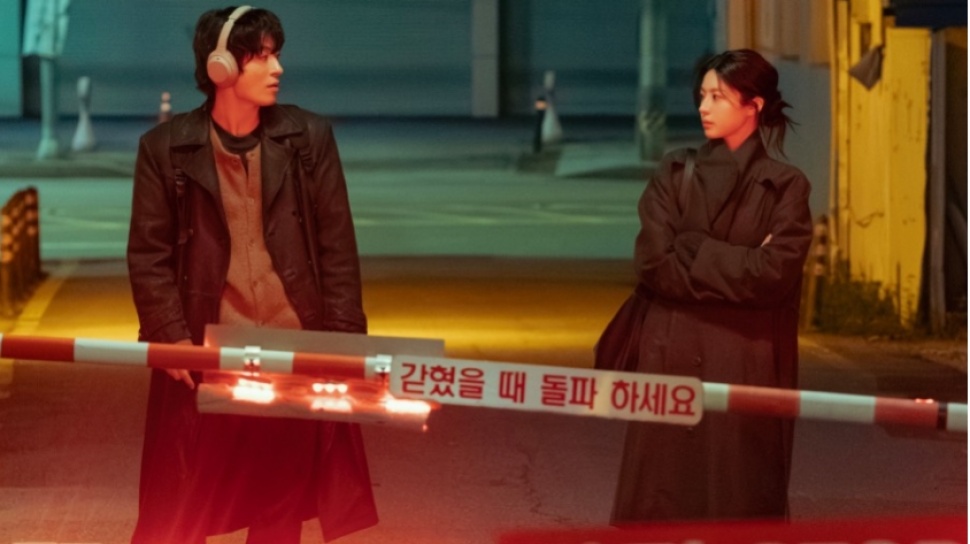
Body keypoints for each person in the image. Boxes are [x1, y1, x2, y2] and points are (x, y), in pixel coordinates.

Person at [126, 6, 377, 543]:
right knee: (186, 507)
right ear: (220, 66)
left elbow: (337, 248)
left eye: (276, 54)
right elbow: (148, 255)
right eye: (260, 57)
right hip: (209, 356)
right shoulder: (167, 149)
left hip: (292, 349)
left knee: (279, 508)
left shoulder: (307, 138)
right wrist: (170, 335)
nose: (277, 67)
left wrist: (344, 342)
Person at [606, 49, 813, 522]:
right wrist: (739, 265)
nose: (703, 107)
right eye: (701, 95)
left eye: (718, 97)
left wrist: (695, 247)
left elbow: (772, 276)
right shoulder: (675, 173)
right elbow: (654, 263)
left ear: (753, 105)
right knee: (661, 499)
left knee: (736, 495)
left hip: (744, 362)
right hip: (672, 357)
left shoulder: (785, 186)